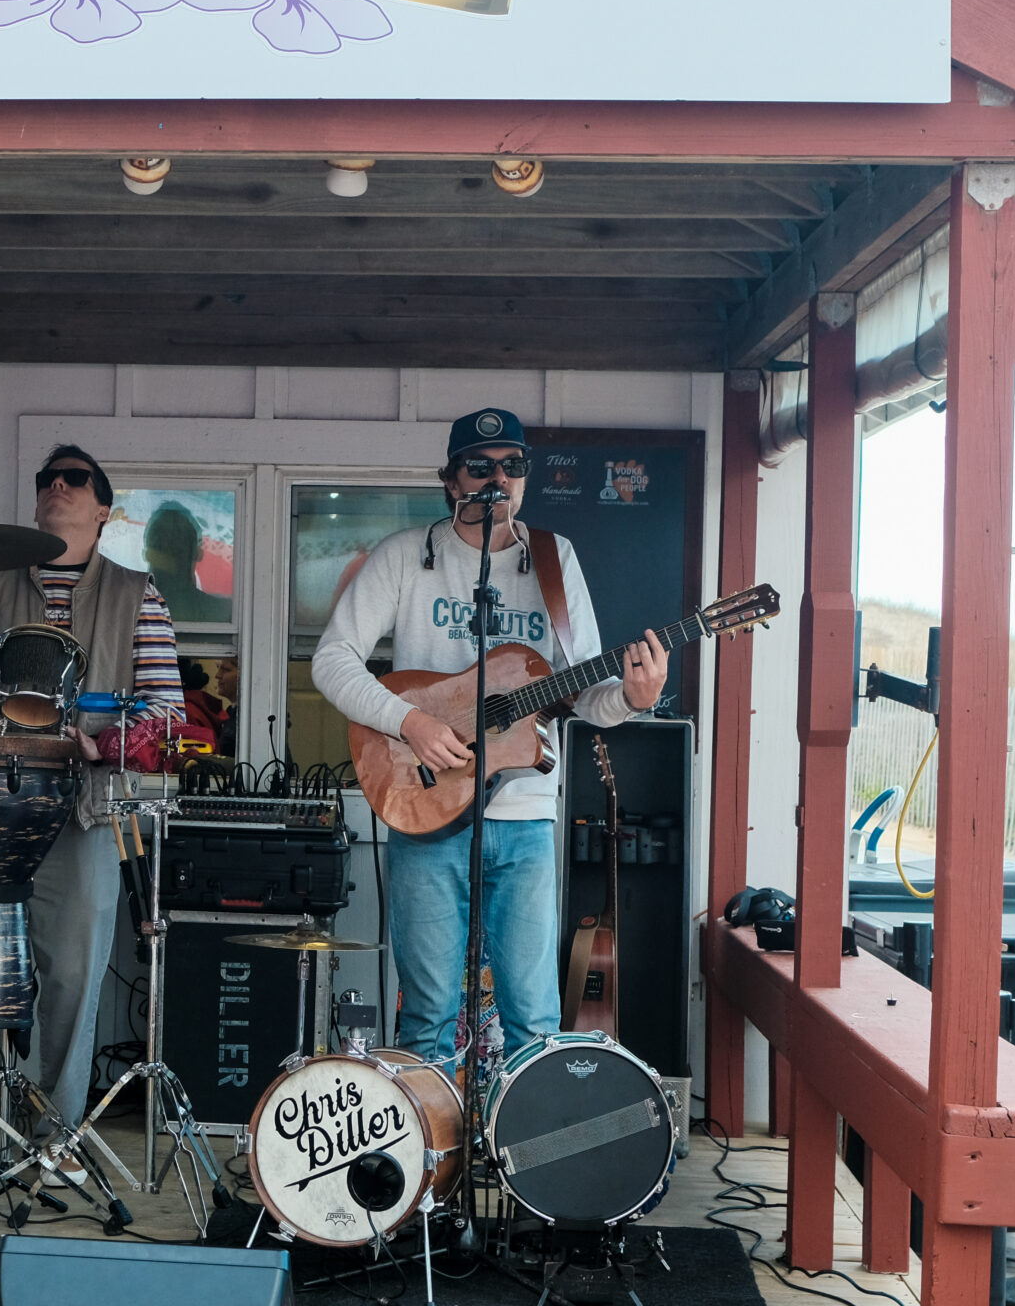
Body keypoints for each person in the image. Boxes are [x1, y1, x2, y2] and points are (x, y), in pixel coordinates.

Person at [311, 408, 669, 1070]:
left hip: (525, 817)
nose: (497, 478)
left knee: (535, 1017)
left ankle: (522, 1170)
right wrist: (409, 721)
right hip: (426, 810)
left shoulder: (554, 561)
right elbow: (331, 660)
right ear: (451, 481)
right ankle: (435, 1173)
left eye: (513, 466)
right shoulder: (402, 556)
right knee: (426, 1019)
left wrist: (632, 697)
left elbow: (585, 693)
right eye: (480, 466)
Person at [0, 446, 184, 1130]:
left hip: (86, 810)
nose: (56, 486)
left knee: (71, 978)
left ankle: (54, 1134)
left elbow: (166, 713)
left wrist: (101, 741)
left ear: (103, 508)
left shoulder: (138, 592)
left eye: (75, 479)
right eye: (46, 479)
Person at [140, 501, 231, 626]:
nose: (170, 550)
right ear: (198, 554)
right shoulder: (224, 612)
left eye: (178, 545)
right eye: (162, 545)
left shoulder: (123, 612)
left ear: (147, 554)